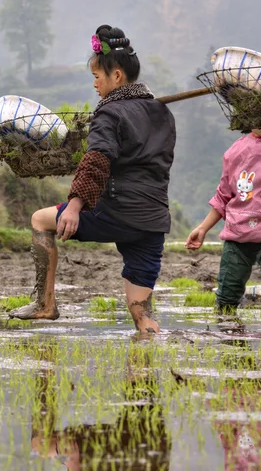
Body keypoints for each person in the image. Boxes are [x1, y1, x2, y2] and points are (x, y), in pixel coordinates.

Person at [9, 24, 176, 333]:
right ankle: (148, 367)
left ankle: (45, 304)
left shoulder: (109, 114)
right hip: (152, 220)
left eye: (98, 78)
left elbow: (97, 160)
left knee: (40, 220)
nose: (96, 85)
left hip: (118, 212)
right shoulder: (161, 113)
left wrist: (74, 206)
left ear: (116, 76)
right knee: (143, 316)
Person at [185, 126, 261, 311]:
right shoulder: (237, 149)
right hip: (237, 235)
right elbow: (224, 196)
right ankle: (227, 337)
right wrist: (203, 228)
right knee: (225, 302)